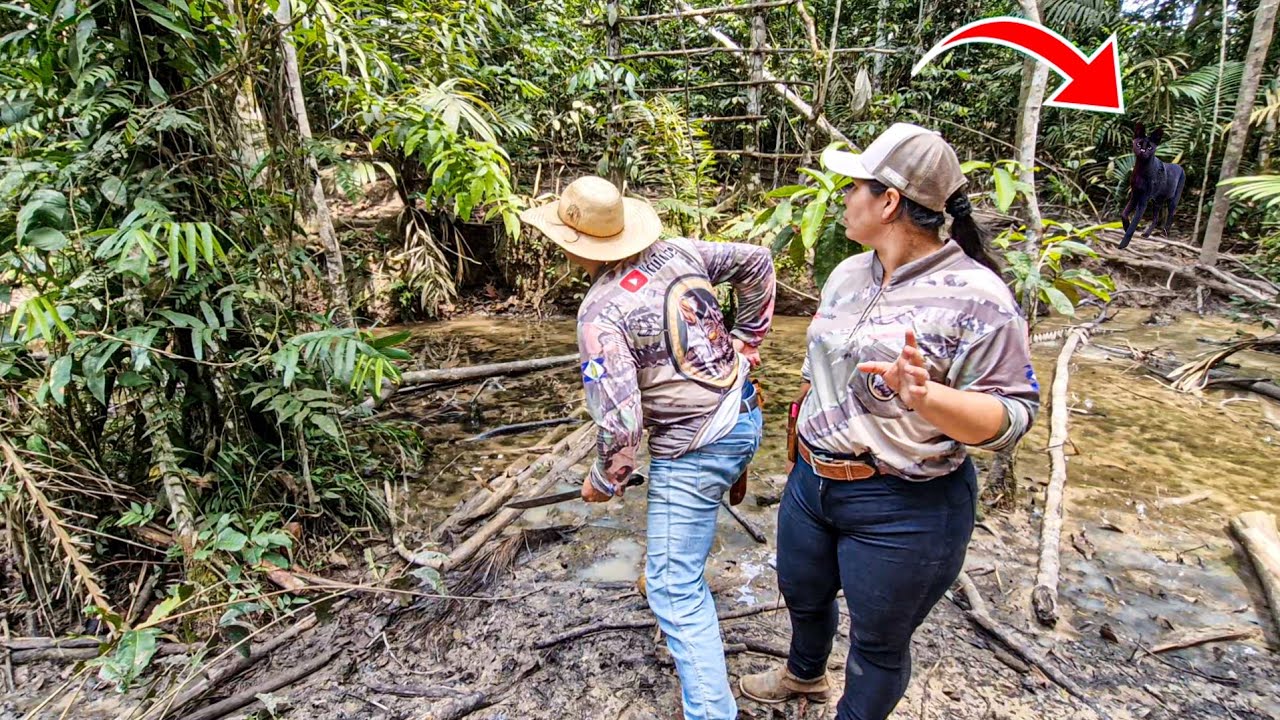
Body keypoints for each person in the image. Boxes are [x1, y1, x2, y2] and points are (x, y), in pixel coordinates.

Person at [738, 123, 1041, 719]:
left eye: (854, 187)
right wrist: (796, 439)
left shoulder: (978, 295)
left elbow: (1012, 415)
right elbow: (816, 366)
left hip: (907, 502)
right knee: (802, 592)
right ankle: (804, 677)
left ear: (890, 201)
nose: (843, 198)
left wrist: (927, 399)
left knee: (877, 645)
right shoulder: (849, 273)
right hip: (813, 481)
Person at [520, 175, 776, 720]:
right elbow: (756, 261)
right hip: (745, 415)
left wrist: (605, 480)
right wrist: (747, 340)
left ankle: (712, 713)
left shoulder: (600, 314)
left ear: (571, 246)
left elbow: (623, 425)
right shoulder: (678, 251)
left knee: (672, 590)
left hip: (697, 446)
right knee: (678, 543)